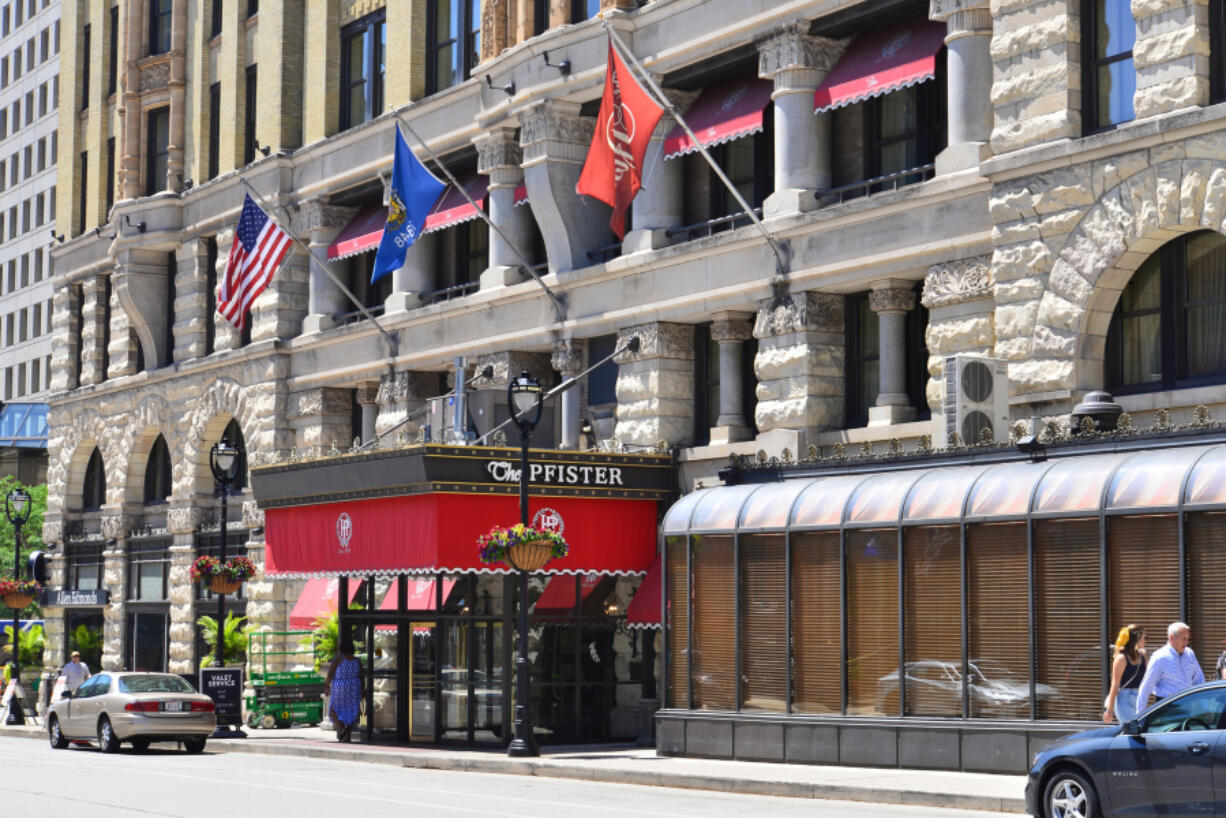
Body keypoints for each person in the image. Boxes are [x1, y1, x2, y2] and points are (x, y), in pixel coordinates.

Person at [1136, 621, 1204, 712]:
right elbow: (1146, 687)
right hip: (1167, 708)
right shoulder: (1160, 657)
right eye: (1183, 638)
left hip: (1188, 706)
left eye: (1188, 638)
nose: (1186, 642)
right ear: (1171, 637)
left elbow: (1199, 679)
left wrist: (1204, 706)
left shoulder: (1189, 653)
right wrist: (1140, 715)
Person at [1103, 625, 1147, 723]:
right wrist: (1109, 711)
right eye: (1144, 637)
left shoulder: (1143, 655)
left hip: (1139, 698)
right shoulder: (1121, 658)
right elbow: (1114, 685)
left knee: (1139, 730)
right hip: (1124, 699)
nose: (1146, 640)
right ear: (1137, 639)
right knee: (1132, 730)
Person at [325, 636, 363, 742]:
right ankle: (347, 734)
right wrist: (362, 688)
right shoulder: (357, 661)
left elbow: (330, 674)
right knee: (352, 711)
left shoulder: (339, 659)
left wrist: (327, 687)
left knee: (333, 710)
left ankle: (342, 728)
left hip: (340, 687)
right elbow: (361, 675)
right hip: (354, 687)